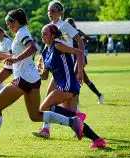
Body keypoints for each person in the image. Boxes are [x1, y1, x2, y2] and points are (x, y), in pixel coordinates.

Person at [0, 8, 84, 154]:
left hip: (23, 78)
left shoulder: (22, 33)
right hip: (32, 79)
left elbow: (32, 48)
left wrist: (16, 59)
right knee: (35, 116)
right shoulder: (21, 33)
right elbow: (15, 53)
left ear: (16, 22)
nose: (8, 27)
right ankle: (72, 121)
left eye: (9, 23)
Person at [33, 0, 86, 139]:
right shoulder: (50, 27)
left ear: (61, 13)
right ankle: (78, 120)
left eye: (53, 11)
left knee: (54, 98)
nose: (50, 13)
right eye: (49, 11)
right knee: (67, 101)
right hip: (56, 66)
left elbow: (80, 42)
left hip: (66, 66)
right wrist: (40, 59)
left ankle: (46, 129)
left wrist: (79, 68)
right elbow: (48, 45)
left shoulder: (65, 26)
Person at [65, 17, 104, 105]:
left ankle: (76, 102)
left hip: (80, 57)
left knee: (74, 77)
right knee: (85, 80)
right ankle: (99, 95)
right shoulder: (66, 33)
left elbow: (88, 39)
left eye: (69, 24)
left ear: (72, 24)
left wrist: (82, 46)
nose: (68, 26)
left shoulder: (77, 32)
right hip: (72, 57)